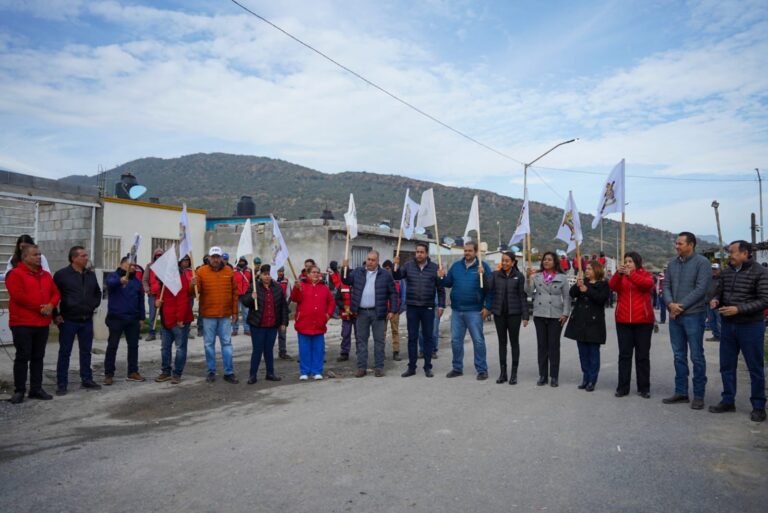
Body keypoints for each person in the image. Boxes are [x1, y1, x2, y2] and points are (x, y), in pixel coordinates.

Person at [708, 241, 768, 422]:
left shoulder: (760, 272)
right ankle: (728, 400)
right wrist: (716, 300)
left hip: (751, 326)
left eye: (732, 252)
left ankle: (758, 406)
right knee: (726, 365)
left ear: (744, 253)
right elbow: (719, 292)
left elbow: (765, 300)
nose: (729, 256)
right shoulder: (726, 273)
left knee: (755, 367)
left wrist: (738, 309)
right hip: (728, 325)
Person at [662, 232, 711, 410]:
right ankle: (681, 392)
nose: (677, 246)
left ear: (691, 245)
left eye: (680, 243)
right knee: (678, 355)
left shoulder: (702, 263)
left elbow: (701, 289)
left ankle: (699, 395)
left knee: (696, 356)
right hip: (675, 317)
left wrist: (679, 306)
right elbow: (665, 286)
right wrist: (669, 304)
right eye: (676, 243)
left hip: (694, 315)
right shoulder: (672, 264)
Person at [5, 244, 60, 404]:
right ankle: (19, 390)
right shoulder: (15, 274)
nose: (39, 257)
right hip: (22, 322)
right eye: (35, 255)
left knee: (38, 357)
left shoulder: (46, 275)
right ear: (25, 257)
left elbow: (56, 292)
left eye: (40, 254)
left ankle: (36, 388)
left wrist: (50, 305)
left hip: (41, 323)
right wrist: (40, 308)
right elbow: (18, 296)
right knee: (22, 356)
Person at [52, 246, 102, 395]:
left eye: (86, 255)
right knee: (65, 352)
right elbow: (53, 295)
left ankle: (86, 379)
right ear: (74, 258)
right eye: (83, 256)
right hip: (68, 320)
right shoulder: (62, 275)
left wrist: (92, 305)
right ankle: (62, 384)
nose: (86, 258)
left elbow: (97, 293)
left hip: (86, 320)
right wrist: (55, 314)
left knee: (86, 351)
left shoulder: (90, 275)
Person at [440, 242, 492, 380]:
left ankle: (482, 369)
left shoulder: (483, 267)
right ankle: (457, 368)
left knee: (478, 341)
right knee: (456, 341)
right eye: (465, 250)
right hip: (457, 310)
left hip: (475, 311)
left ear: (475, 252)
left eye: (470, 250)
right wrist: (441, 276)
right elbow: (447, 283)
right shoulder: (456, 266)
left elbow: (491, 288)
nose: (467, 253)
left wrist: (488, 307)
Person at [393, 242, 445, 378]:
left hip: (428, 307)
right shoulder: (408, 266)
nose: (419, 254)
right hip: (412, 307)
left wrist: (441, 306)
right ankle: (411, 367)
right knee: (412, 338)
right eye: (417, 252)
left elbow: (441, 289)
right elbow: (397, 276)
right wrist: (396, 266)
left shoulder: (435, 268)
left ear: (426, 254)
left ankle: (428, 367)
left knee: (428, 337)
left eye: (422, 252)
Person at [342, 251, 397, 377]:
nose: (370, 262)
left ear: (378, 261)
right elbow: (345, 280)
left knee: (379, 341)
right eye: (368, 259)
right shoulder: (357, 272)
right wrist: (344, 267)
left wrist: (393, 310)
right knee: (361, 341)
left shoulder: (385, 275)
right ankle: (361, 367)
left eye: (373, 260)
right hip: (361, 312)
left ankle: (379, 367)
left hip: (378, 312)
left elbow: (393, 293)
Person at [609, 252, 655, 398]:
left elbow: (647, 285)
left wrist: (631, 275)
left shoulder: (645, 275)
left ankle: (644, 387)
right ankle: (623, 387)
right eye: (626, 261)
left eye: (630, 261)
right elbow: (612, 286)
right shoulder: (621, 276)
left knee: (642, 356)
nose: (627, 264)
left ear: (637, 263)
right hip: (623, 321)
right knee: (624, 355)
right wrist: (618, 273)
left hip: (643, 321)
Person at [526, 251, 570, 387]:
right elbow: (528, 291)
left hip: (556, 315)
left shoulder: (562, 277)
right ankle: (543, 375)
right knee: (542, 346)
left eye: (549, 259)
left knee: (554, 346)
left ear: (555, 262)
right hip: (539, 314)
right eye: (545, 259)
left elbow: (567, 297)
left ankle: (554, 376)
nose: (546, 262)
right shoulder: (536, 276)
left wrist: (565, 313)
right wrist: (528, 279)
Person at [196, 246, 240, 384]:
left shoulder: (229, 271)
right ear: (208, 258)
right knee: (209, 344)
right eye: (213, 257)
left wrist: (234, 312)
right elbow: (194, 293)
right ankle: (211, 371)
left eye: (218, 257)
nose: (215, 259)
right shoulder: (200, 272)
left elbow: (235, 293)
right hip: (208, 315)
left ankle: (229, 372)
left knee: (226, 343)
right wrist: (192, 285)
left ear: (222, 258)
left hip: (225, 315)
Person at [566, 260, 610, 391]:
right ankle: (585, 377)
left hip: (594, 324)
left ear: (597, 270)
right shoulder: (583, 282)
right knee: (583, 353)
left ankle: (592, 379)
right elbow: (572, 294)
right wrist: (577, 285)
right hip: (580, 322)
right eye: (587, 268)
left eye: (590, 269)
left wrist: (587, 290)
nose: (587, 271)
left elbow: (602, 299)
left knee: (593, 353)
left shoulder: (603, 284)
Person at [242, 264, 288, 384]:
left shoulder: (277, 288)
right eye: (265, 274)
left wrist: (284, 322)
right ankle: (252, 375)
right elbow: (245, 302)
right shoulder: (254, 287)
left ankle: (270, 373)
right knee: (257, 350)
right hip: (258, 325)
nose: (267, 277)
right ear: (260, 275)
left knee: (269, 350)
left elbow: (283, 307)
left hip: (272, 325)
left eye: (269, 274)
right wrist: (251, 297)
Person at [104, 256, 146, 384]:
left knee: (133, 346)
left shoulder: (137, 282)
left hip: (133, 319)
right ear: (122, 264)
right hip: (116, 318)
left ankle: (133, 371)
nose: (133, 267)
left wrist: (142, 317)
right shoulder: (113, 276)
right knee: (113, 345)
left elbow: (141, 301)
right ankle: (109, 374)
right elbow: (110, 284)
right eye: (130, 264)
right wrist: (120, 281)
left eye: (135, 265)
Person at [487, 251, 528, 385]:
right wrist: (481, 274)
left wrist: (525, 316)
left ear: (513, 262)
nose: (504, 263)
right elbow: (488, 287)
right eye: (502, 260)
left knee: (514, 343)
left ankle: (514, 374)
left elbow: (522, 296)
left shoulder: (519, 276)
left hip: (514, 314)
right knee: (502, 343)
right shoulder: (495, 275)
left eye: (507, 261)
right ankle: (503, 373)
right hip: (499, 314)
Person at [153, 257, 195, 384]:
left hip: (179, 321)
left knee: (180, 348)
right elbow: (159, 298)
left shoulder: (180, 280)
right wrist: (157, 303)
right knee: (165, 348)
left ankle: (177, 374)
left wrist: (180, 319)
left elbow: (183, 301)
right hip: (166, 320)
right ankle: (166, 371)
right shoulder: (163, 282)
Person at [291, 265, 335, 380]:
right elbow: (295, 298)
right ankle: (304, 371)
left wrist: (328, 315)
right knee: (304, 349)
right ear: (308, 274)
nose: (316, 274)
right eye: (313, 272)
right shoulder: (302, 286)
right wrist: (296, 288)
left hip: (319, 324)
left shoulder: (324, 288)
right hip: (304, 323)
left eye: (318, 272)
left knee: (318, 349)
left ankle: (317, 371)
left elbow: (331, 302)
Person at [382, 260, 404, 361]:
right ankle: (381, 352)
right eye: (385, 268)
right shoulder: (380, 279)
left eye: (388, 268)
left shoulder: (398, 280)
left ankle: (396, 352)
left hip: (395, 310)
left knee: (395, 331)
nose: (387, 270)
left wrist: (400, 309)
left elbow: (403, 295)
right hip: (383, 310)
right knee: (382, 332)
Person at [142, 248, 164, 341]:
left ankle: (164, 333)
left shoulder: (166, 266)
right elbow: (145, 280)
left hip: (163, 294)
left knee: (164, 314)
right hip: (153, 294)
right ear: (154, 256)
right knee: (152, 315)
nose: (158, 257)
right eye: (157, 255)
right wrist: (147, 290)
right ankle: (152, 333)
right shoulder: (150, 266)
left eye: (160, 255)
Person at [335, 276, 356, 362]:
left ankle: (360, 353)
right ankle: (344, 353)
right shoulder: (342, 286)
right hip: (345, 314)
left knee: (359, 334)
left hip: (357, 314)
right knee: (345, 333)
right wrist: (344, 306)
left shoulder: (359, 285)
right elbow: (337, 299)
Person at [275, 267, 293, 360]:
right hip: (272, 310)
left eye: (282, 271)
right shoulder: (272, 280)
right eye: (279, 271)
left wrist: (285, 305)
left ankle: (282, 351)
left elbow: (289, 295)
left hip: (282, 310)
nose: (280, 273)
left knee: (282, 332)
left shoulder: (286, 281)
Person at [233, 257, 253, 336]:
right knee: (235, 312)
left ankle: (247, 329)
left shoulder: (249, 270)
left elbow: (252, 282)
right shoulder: (233, 270)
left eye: (243, 261)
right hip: (236, 294)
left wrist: (250, 291)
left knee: (246, 313)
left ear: (245, 261)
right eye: (240, 261)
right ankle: (235, 329)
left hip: (246, 294)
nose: (241, 262)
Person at [179, 255, 196, 340]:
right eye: (184, 260)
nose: (186, 262)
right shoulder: (177, 271)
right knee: (180, 314)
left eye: (187, 260)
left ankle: (187, 331)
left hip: (189, 296)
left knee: (188, 314)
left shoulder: (192, 271)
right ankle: (179, 331)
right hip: (179, 296)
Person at [706, 263, 721, 342]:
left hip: (718, 304)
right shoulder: (709, 279)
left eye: (715, 269)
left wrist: (716, 299)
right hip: (708, 303)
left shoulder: (722, 279)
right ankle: (716, 335)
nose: (714, 271)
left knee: (719, 321)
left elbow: (722, 292)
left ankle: (722, 337)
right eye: (712, 269)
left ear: (719, 270)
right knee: (711, 321)